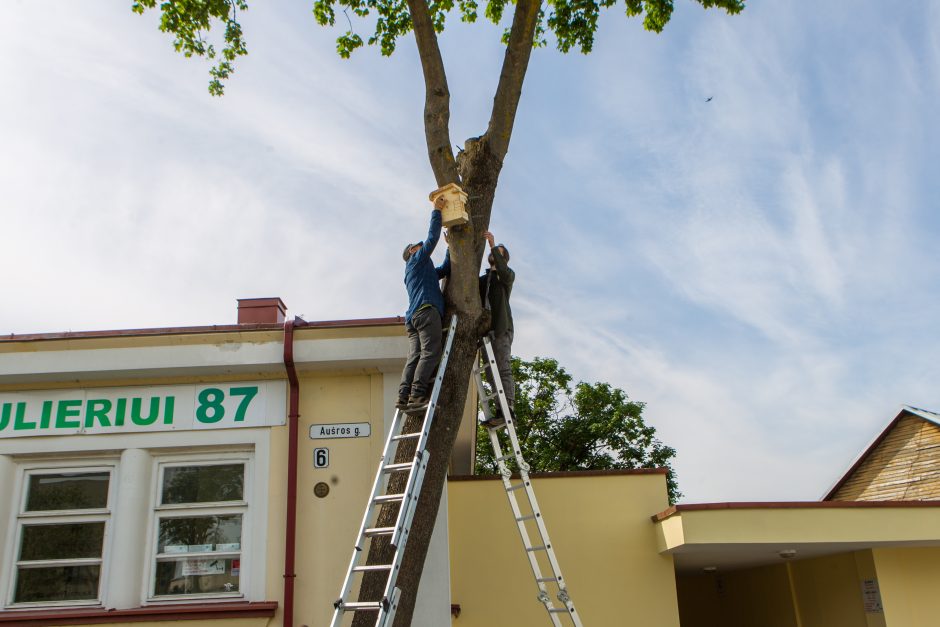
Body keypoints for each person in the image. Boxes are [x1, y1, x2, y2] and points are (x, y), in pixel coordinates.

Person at [398, 195, 450, 412]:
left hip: (413, 319)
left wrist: (450, 248)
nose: (423, 247)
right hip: (426, 311)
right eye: (418, 247)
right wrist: (436, 211)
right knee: (431, 353)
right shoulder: (416, 260)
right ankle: (417, 395)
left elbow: (445, 270)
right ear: (412, 251)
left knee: (415, 356)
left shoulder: (419, 270)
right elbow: (432, 237)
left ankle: (403, 395)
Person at [479, 230, 515, 427]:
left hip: (501, 329)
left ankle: (508, 410)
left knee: (503, 369)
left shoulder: (506, 277)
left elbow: (503, 270)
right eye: (494, 252)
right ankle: (499, 410)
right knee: (491, 374)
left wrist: (492, 244)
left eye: (500, 253)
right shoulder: (484, 280)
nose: (495, 254)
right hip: (486, 333)